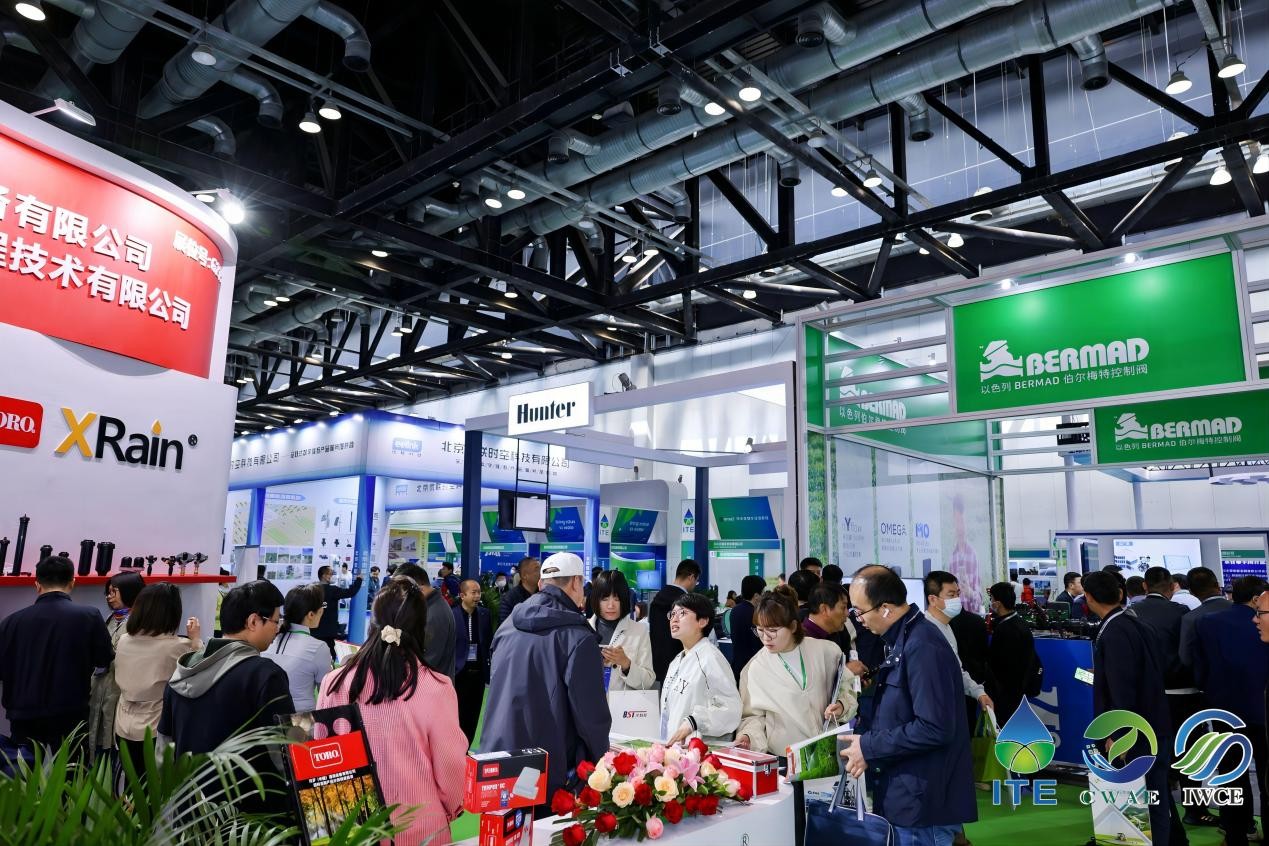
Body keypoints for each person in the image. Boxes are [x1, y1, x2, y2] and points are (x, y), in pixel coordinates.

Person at [319, 579, 467, 845]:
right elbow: (451, 767)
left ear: (372, 623)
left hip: (352, 829)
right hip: (422, 828)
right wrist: (452, 807)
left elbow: (324, 760)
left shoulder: (335, 683)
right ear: (421, 627)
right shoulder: (436, 687)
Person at [839, 565, 977, 844]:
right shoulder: (902, 639)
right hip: (906, 791)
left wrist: (869, 746)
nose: (857, 619)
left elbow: (935, 727)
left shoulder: (922, 646)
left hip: (923, 800)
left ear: (885, 609)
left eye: (859, 611)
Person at [481, 552, 610, 807]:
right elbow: (590, 717)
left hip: (497, 758)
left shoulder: (508, 626)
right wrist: (601, 762)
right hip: (548, 769)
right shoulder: (578, 638)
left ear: (541, 584)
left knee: (503, 825)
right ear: (576, 582)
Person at [159, 580, 294, 812]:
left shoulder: (184, 670)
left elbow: (163, 749)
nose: (277, 628)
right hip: (250, 817)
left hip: (190, 810)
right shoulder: (266, 675)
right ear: (253, 621)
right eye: (276, 620)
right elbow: (288, 752)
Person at [1084, 570, 1181, 844]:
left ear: (1089, 598)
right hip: (1154, 725)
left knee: (1136, 802)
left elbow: (1124, 687)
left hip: (1134, 733)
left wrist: (1119, 734)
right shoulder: (1133, 623)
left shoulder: (1115, 630)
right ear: (1119, 593)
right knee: (1155, 798)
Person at [0, 556, 113, 752]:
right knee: (72, 768)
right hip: (70, 711)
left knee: (25, 767)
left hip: (23, 713)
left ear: (37, 585)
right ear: (72, 582)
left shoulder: (11, 622)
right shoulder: (89, 616)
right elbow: (104, 659)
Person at [1194, 576, 1269, 846]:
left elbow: (1198, 667)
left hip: (1224, 710)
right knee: (1266, 777)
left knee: (1230, 775)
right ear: (1256, 598)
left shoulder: (1207, 622)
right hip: (1262, 711)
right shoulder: (1260, 623)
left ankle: (1236, 835)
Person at [736, 587, 855, 755]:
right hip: (787, 756)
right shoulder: (755, 667)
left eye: (773, 630)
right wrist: (748, 736)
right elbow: (752, 716)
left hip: (828, 752)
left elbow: (847, 689)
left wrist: (842, 706)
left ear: (792, 626)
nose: (766, 638)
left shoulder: (826, 651)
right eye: (760, 630)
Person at [114, 584, 201, 775]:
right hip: (155, 728)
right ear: (172, 613)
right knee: (154, 786)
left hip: (122, 723)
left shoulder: (124, 640)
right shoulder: (178, 647)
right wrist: (195, 640)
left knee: (131, 783)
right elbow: (200, 674)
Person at [660, 592, 741, 745]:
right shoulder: (676, 661)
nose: (674, 619)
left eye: (682, 613)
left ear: (702, 621)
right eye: (673, 614)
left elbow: (732, 709)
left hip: (700, 752)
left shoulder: (711, 658)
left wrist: (695, 721)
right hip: (676, 750)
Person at [88, 571, 145, 760]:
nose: (109, 596)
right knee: (98, 740)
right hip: (101, 686)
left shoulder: (140, 623)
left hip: (121, 691)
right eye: (108, 592)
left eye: (114, 591)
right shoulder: (111, 618)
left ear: (129, 591)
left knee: (114, 745)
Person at [925, 572, 993, 720]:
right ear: (933, 599)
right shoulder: (924, 632)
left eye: (958, 594)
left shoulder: (946, 627)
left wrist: (978, 693)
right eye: (951, 595)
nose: (957, 600)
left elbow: (957, 669)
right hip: (933, 712)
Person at [263, 584, 334, 712]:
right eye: (322, 607)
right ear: (311, 614)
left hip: (267, 717)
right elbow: (326, 694)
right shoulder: (318, 647)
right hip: (301, 719)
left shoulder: (268, 641)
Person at [589, 570, 655, 691]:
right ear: (596, 600)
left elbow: (648, 682)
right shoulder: (583, 629)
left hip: (624, 702)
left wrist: (626, 664)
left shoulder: (639, 631)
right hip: (589, 701)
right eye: (605, 599)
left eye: (617, 599)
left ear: (624, 600)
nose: (611, 605)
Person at [393, 563, 456, 677]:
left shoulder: (433, 615)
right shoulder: (429, 607)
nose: (401, 597)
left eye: (403, 590)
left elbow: (426, 662)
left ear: (419, 587)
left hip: (430, 685)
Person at [986, 582, 1036, 726]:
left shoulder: (1005, 629)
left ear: (998, 603)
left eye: (991, 598)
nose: (991, 602)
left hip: (1007, 693)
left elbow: (1001, 665)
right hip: (1017, 690)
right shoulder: (1019, 623)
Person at [453, 579, 493, 745]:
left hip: (478, 674)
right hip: (459, 674)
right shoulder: (452, 614)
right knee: (458, 714)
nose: (477, 596)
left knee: (474, 714)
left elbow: (489, 641)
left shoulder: (485, 614)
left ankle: (467, 748)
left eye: (479, 592)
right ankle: (456, 748)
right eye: (473, 593)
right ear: (462, 595)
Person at [649, 559, 701, 683]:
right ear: (691, 577)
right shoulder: (686, 602)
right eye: (696, 581)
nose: (695, 584)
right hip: (680, 664)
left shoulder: (658, 597)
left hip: (656, 663)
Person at [950, 595, 992, 733]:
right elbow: (984, 650)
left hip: (956, 680)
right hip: (975, 676)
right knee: (970, 718)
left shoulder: (948, 624)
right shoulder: (977, 620)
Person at [1178, 567, 1230, 673]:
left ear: (1191, 592)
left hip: (1210, 677)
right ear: (1217, 585)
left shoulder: (1190, 618)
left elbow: (1185, 658)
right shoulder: (1242, 610)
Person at [313, 564, 363, 660]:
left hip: (314, 631)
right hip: (329, 631)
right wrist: (359, 580)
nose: (333, 576)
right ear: (324, 576)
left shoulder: (312, 590)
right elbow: (350, 592)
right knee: (329, 657)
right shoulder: (332, 590)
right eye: (331, 574)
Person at [948, 494, 984, 615]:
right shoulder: (952, 557)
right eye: (957, 520)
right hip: (955, 616)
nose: (960, 526)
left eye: (962, 521)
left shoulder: (973, 555)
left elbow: (979, 600)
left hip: (971, 616)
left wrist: (969, 593)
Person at [728, 575, 766, 680]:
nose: (764, 596)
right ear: (756, 595)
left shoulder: (735, 610)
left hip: (737, 664)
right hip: (753, 666)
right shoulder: (755, 613)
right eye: (763, 593)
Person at [499, 556, 540, 628]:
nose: (541, 572)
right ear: (524, 575)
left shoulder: (544, 595)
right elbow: (505, 626)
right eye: (536, 569)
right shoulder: (509, 598)